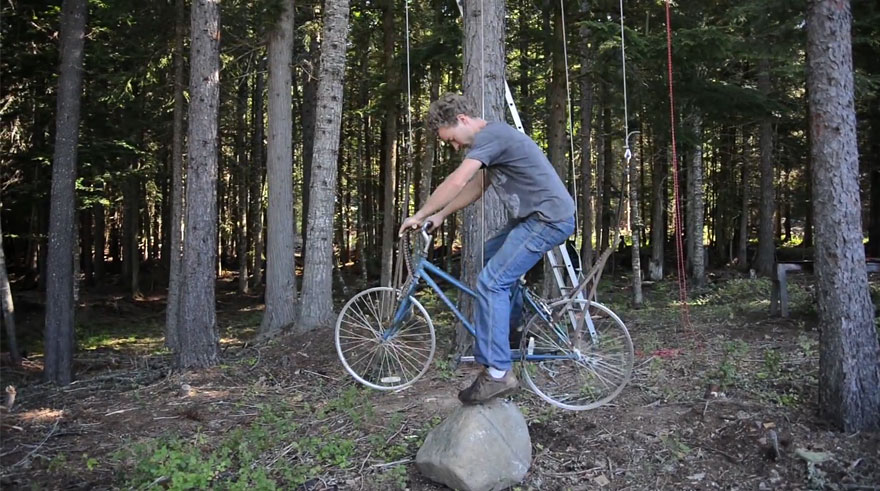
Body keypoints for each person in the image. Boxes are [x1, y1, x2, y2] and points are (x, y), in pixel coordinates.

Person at [399, 93, 575, 404]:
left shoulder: (492, 135)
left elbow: (457, 181)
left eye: (452, 139)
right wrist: (440, 215)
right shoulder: (492, 142)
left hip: (548, 219)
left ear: (463, 121)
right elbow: (476, 187)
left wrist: (420, 213)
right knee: (487, 257)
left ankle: (498, 372)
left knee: (492, 282)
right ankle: (512, 331)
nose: (454, 147)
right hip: (532, 218)